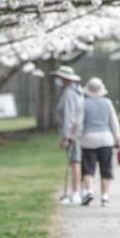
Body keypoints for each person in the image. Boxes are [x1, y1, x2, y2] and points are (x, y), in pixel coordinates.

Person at [79, 77, 120, 207]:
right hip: (105, 139)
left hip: (88, 139)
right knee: (106, 168)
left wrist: (75, 135)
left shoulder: (83, 103)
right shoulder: (107, 103)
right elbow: (114, 122)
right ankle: (105, 197)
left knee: (88, 168)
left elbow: (78, 122)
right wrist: (118, 138)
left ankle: (89, 191)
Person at [50, 65, 85, 205]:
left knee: (74, 162)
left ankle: (75, 192)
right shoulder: (77, 91)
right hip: (76, 132)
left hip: (73, 133)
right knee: (75, 162)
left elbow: (68, 117)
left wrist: (67, 137)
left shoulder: (70, 94)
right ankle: (76, 191)